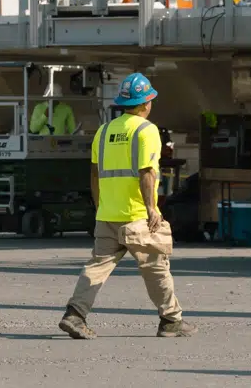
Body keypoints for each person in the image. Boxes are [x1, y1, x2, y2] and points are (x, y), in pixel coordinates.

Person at [59, 72, 195, 339]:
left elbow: (95, 174)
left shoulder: (104, 131)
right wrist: (152, 209)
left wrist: (101, 207)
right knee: (156, 268)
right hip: (136, 216)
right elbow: (147, 173)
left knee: (97, 266)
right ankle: (170, 321)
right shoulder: (147, 130)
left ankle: (74, 316)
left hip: (108, 215)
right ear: (145, 103)